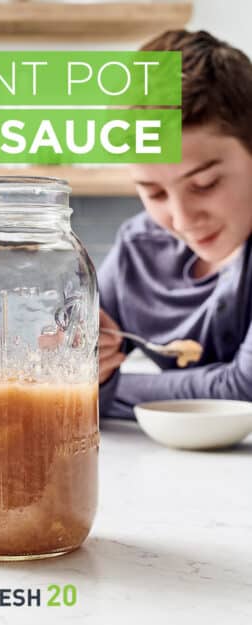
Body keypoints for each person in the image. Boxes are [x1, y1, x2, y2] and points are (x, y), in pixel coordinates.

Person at [99, 29, 252, 419]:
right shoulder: (140, 249)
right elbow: (60, 380)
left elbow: (244, 389)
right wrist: (86, 367)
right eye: (154, 193)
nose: (182, 220)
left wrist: (110, 386)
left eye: (205, 184)